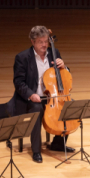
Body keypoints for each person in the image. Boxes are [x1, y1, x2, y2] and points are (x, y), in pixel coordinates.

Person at [7, 25, 74, 163]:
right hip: (30, 99)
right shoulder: (22, 57)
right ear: (33, 42)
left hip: (50, 97)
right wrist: (31, 95)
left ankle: (58, 143)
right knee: (36, 109)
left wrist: (64, 67)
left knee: (68, 105)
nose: (44, 45)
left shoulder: (54, 53)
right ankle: (36, 150)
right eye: (40, 42)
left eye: (45, 41)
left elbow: (64, 76)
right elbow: (18, 82)